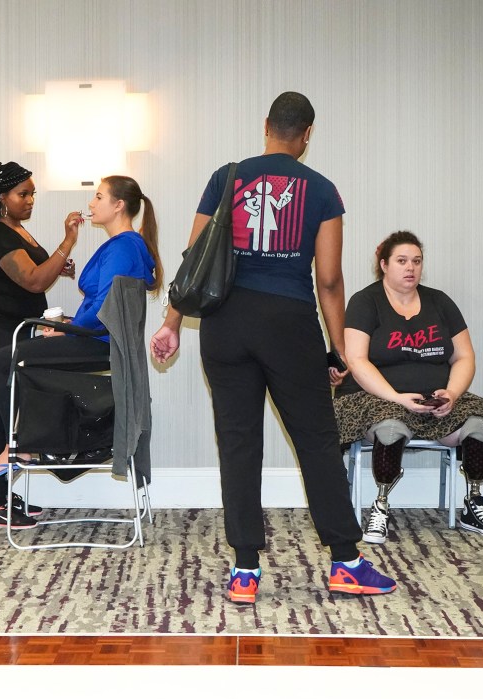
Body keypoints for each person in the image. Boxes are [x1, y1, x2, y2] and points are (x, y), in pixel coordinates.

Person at [150, 91, 397, 604]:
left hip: (225, 324)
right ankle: (345, 562)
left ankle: (245, 569)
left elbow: (195, 260)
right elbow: (329, 281)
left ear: (266, 126)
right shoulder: (322, 190)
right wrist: (339, 351)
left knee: (238, 443)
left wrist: (172, 320)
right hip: (288, 324)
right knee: (315, 441)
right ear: (307, 135)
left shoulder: (227, 177)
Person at [0, 175, 162, 527]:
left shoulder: (123, 246)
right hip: (95, 337)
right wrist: (64, 324)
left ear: (118, 206)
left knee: (2, 360)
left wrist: (70, 330)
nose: (91, 205)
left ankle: (22, 445)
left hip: (97, 342)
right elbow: (102, 305)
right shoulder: (126, 245)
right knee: (19, 359)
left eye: (98, 197)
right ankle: (32, 442)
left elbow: (104, 308)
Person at [334, 231, 483, 542]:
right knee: (390, 428)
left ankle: (473, 503)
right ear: (384, 264)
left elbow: (465, 356)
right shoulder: (365, 301)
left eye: (416, 261)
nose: (410, 268)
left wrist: (452, 394)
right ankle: (380, 506)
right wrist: (396, 397)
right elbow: (357, 362)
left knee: (480, 421)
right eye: (401, 261)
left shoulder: (440, 302)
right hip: (373, 397)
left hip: (433, 400)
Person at [0, 161, 84, 530]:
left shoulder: (16, 230)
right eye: (23, 194)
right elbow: (32, 281)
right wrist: (67, 243)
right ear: (3, 198)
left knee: (9, 415)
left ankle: (1, 496)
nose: (30, 200)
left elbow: (32, 271)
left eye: (32, 193)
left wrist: (56, 264)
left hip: (10, 333)